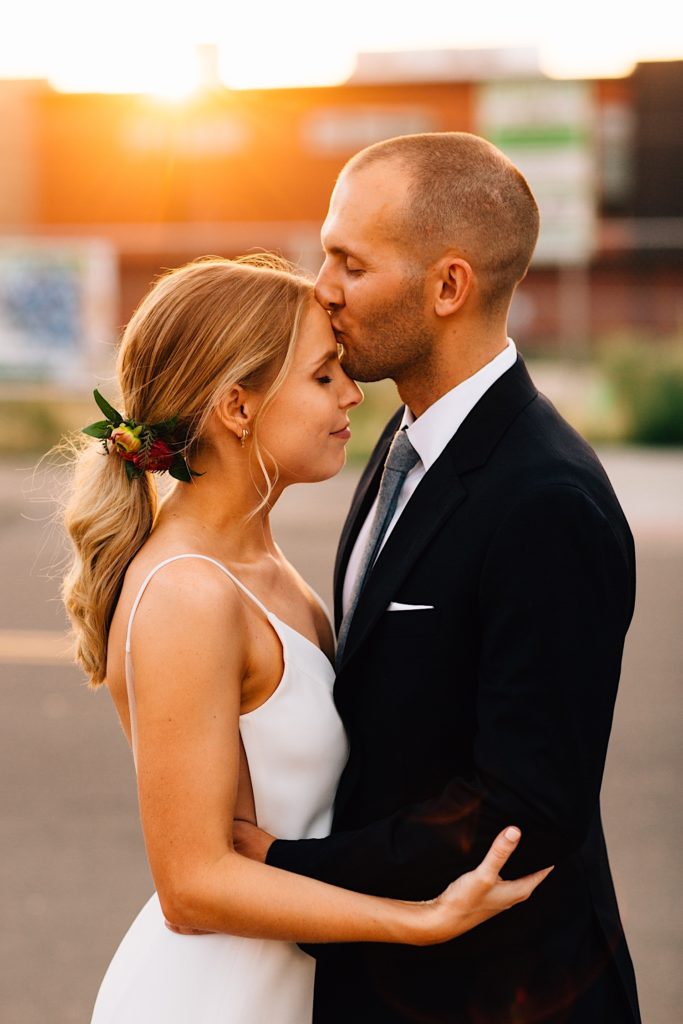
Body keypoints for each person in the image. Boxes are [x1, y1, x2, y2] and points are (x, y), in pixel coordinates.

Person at [61, 254, 550, 1024]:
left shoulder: (262, 566)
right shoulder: (188, 593)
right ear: (237, 407)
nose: (354, 394)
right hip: (216, 996)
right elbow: (192, 886)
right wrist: (416, 922)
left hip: (291, 983)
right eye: (324, 376)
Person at [234, 134, 643, 1023]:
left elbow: (523, 805)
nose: (322, 287)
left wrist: (282, 872)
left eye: (350, 260)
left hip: (503, 995)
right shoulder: (401, 440)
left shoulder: (546, 500)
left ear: (447, 287)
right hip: (388, 975)